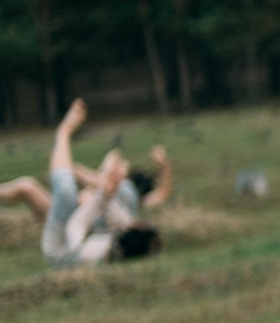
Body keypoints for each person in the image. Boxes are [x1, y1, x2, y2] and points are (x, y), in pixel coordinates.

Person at [0, 100, 169, 268]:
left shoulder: (125, 199)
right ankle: (63, 136)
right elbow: (159, 194)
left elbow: (77, 226)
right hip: (69, 227)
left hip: (64, 243)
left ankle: (63, 132)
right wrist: (104, 188)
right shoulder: (125, 219)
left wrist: (104, 179)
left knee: (64, 192)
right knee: (27, 186)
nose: (143, 222)